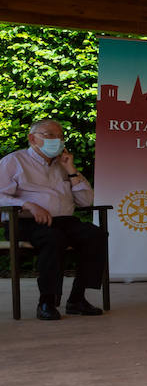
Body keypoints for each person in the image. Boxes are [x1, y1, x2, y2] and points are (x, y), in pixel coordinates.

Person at [0, 119, 107, 320]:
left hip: (64, 221)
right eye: (50, 135)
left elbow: (85, 201)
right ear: (33, 138)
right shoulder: (14, 161)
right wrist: (28, 204)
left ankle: (77, 299)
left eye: (60, 136)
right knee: (53, 239)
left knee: (95, 235)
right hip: (25, 221)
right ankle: (47, 302)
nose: (57, 140)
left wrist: (71, 170)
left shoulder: (63, 164)